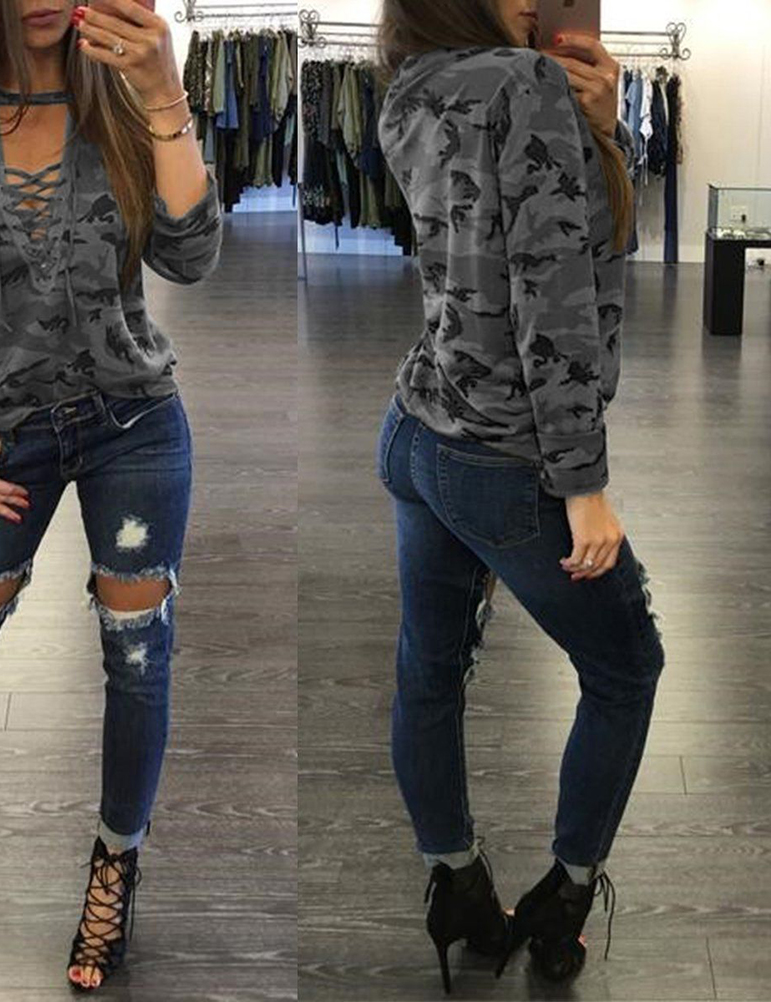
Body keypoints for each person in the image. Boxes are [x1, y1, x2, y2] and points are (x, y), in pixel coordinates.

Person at [0, 0, 221, 991]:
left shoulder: (124, 101)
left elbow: (191, 256)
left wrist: (164, 92)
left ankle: (115, 867)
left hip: (133, 424)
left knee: (139, 659)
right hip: (2, 434)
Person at [374, 0, 665, 990]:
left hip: (421, 428)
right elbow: (555, 293)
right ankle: (565, 899)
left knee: (429, 672)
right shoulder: (527, 82)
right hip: (509, 457)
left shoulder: (409, 84)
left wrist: (604, 131)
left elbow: (516, 247)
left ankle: (455, 884)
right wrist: (584, 486)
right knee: (627, 668)